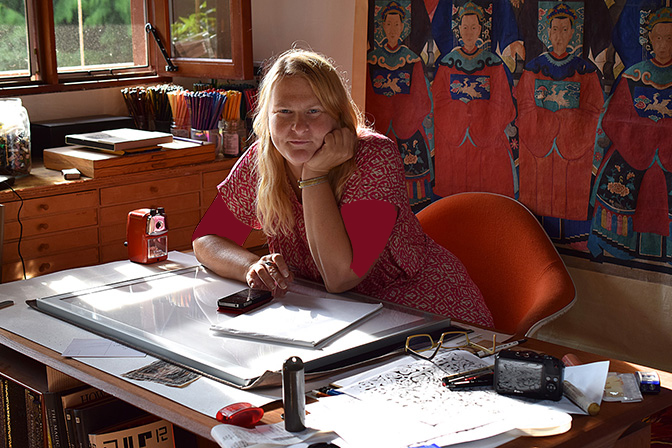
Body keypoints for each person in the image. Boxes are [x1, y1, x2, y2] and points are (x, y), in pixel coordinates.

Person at [192, 49, 494, 327]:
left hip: (424, 312)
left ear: (338, 116)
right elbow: (206, 239)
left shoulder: (375, 157)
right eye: (283, 112)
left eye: (314, 111)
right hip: (336, 316)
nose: (298, 127)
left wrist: (314, 174)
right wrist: (251, 266)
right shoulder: (266, 157)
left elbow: (340, 276)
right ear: (266, 117)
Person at [432, 1, 517, 198]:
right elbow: (438, 100)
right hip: (455, 132)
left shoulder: (493, 63)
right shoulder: (447, 63)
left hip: (486, 131)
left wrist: (478, 113)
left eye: (473, 28)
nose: (469, 33)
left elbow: (504, 102)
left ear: (480, 30)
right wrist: (462, 113)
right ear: (458, 30)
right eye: (465, 28)